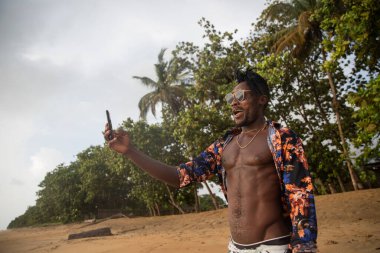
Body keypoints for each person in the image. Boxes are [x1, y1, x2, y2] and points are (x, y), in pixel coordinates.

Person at [103, 69, 317, 253]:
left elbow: (299, 193)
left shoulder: (282, 138)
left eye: (241, 95)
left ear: (262, 99)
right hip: (234, 247)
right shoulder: (224, 145)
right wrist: (130, 151)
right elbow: (181, 177)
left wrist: (304, 245)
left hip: (274, 246)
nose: (233, 103)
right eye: (230, 98)